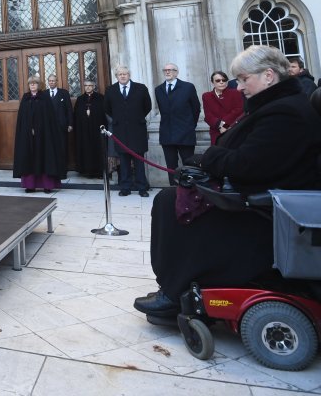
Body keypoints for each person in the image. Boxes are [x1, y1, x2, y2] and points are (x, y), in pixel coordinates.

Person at [135, 45, 321, 318]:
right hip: (252, 197)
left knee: (168, 202)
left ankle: (175, 292)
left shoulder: (285, 113)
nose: (240, 87)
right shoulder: (277, 105)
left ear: (269, 76)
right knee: (171, 197)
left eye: (245, 79)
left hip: (261, 213)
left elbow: (248, 165)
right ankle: (173, 284)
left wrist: (210, 156)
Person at [104, 65, 152, 197]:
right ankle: (125, 187)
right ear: (116, 76)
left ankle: (142, 187)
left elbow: (147, 106)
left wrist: (136, 117)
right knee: (123, 160)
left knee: (139, 160)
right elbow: (107, 108)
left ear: (129, 75)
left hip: (137, 129)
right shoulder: (110, 90)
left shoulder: (141, 88)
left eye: (125, 74)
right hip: (120, 130)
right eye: (120, 74)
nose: (123, 76)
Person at [13, 76, 63, 193]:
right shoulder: (25, 98)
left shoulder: (45, 98)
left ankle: (47, 185)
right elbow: (22, 119)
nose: (33, 86)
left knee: (44, 158)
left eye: (35, 83)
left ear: (38, 85)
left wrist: (39, 128)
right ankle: (30, 186)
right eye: (31, 84)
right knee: (29, 159)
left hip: (44, 136)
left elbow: (49, 118)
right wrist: (28, 129)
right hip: (28, 136)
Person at [154, 63, 201, 185]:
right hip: (167, 134)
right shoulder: (158, 89)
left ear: (176, 72)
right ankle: (174, 191)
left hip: (185, 133)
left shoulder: (188, 87)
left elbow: (196, 108)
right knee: (171, 166)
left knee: (188, 165)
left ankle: (189, 191)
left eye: (170, 70)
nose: (167, 72)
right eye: (165, 70)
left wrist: (190, 125)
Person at [201, 70, 244, 145]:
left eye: (224, 80)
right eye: (218, 80)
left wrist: (225, 125)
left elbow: (239, 110)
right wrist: (219, 125)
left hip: (232, 128)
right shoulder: (207, 96)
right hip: (216, 131)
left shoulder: (235, 93)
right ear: (213, 82)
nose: (221, 82)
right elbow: (208, 115)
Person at [73, 80, 105, 178]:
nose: (88, 87)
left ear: (94, 86)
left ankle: (98, 171)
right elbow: (76, 114)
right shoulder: (80, 99)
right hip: (83, 130)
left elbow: (103, 113)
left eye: (90, 85)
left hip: (96, 129)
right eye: (86, 85)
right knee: (85, 149)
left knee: (97, 149)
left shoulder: (100, 98)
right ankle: (85, 170)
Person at [46, 73, 73, 179]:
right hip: (48, 128)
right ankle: (52, 171)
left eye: (53, 80)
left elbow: (69, 109)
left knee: (62, 149)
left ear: (56, 81)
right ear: (48, 82)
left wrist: (70, 124)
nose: (52, 82)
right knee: (50, 150)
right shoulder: (44, 94)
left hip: (61, 127)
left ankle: (62, 172)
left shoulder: (64, 93)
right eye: (50, 81)